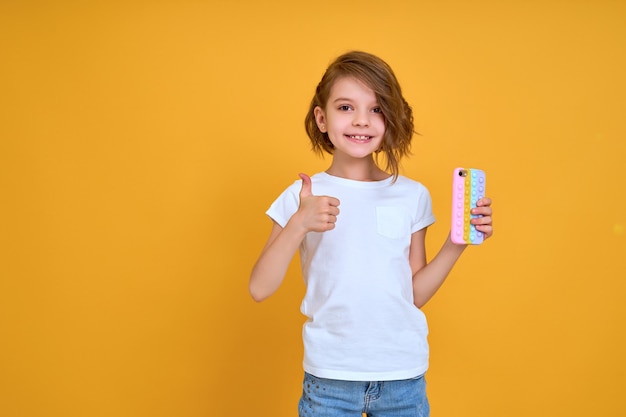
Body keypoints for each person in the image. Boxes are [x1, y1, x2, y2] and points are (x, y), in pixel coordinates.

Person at [249, 51, 493, 417]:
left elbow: (413, 295)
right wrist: (299, 222)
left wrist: (457, 243)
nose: (361, 121)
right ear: (321, 118)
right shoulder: (303, 196)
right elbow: (259, 288)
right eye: (345, 107)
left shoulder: (412, 195)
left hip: (403, 378)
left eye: (376, 109)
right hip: (329, 380)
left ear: (391, 119)